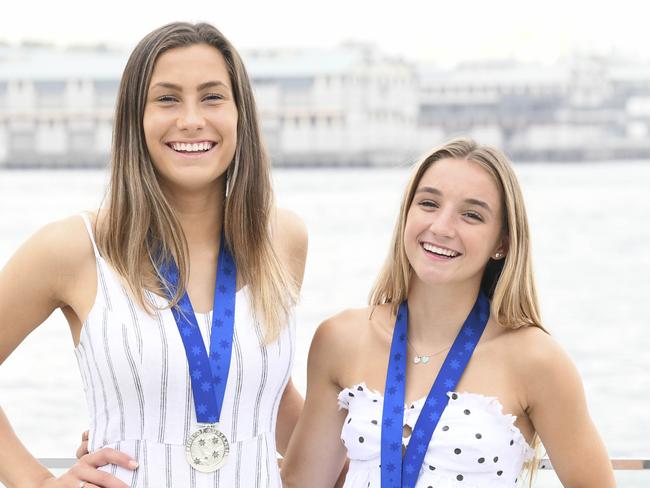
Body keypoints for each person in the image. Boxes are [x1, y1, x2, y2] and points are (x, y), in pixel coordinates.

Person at [0, 22, 307, 488]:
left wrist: (374, 438)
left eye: (212, 97)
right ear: (134, 118)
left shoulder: (283, 238)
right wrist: (38, 482)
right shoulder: (75, 248)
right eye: (166, 99)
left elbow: (262, 389)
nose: (190, 119)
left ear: (240, 113)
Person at [281, 139, 616, 487]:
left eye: (471, 215)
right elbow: (302, 482)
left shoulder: (536, 359)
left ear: (502, 243)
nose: (441, 227)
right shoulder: (340, 338)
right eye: (428, 203)